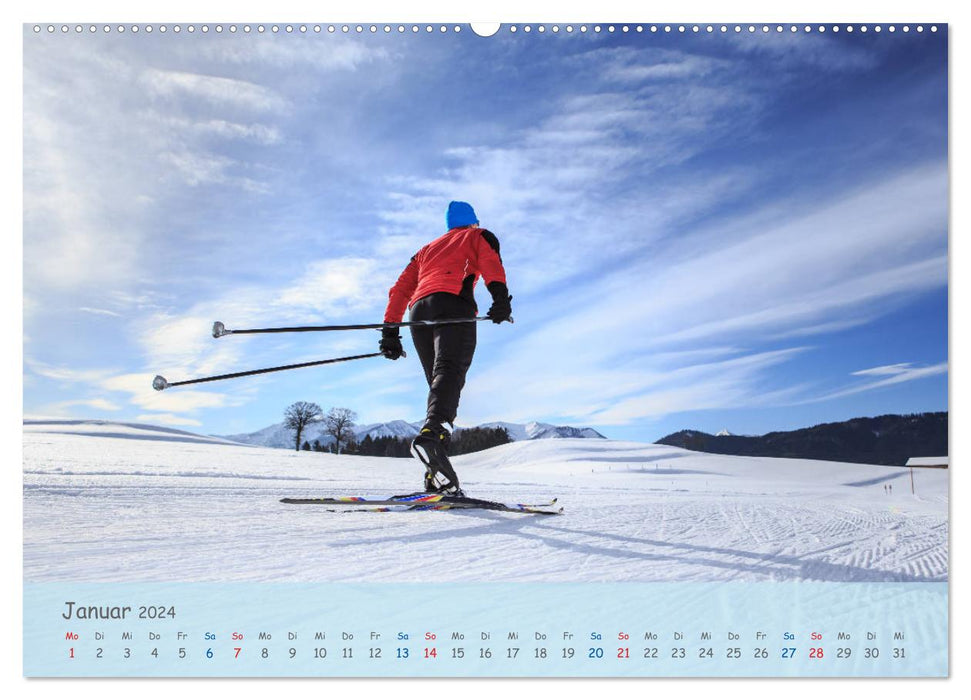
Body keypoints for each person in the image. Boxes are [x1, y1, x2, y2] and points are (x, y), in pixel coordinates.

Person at [379, 201, 513, 496]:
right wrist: (501, 299)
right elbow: (491, 264)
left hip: (418, 314)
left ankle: (438, 476)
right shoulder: (477, 236)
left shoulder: (425, 250)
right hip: (453, 305)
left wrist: (391, 331)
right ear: (473, 221)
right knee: (449, 374)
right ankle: (432, 437)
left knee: (440, 388)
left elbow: (400, 288)